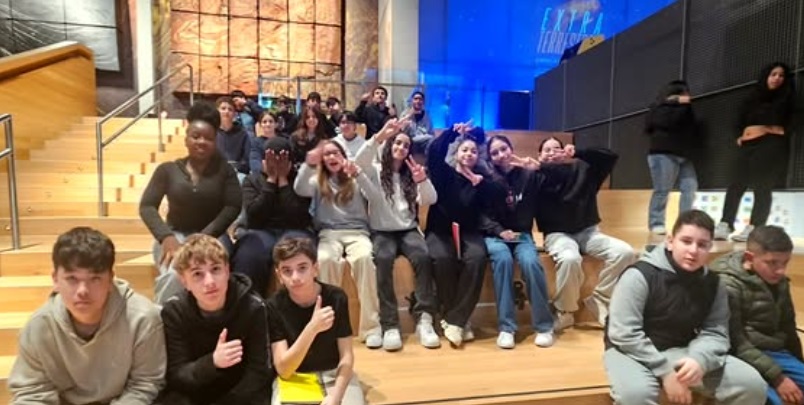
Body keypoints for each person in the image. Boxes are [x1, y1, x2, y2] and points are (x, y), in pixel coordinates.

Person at [603, 210, 767, 405]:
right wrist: (666, 372)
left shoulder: (714, 284)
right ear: (670, 241)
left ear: (710, 247)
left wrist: (700, 360)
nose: (693, 250)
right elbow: (623, 333)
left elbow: (716, 332)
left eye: (702, 245)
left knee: (752, 384)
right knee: (637, 396)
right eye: (686, 241)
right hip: (630, 351)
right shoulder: (638, 276)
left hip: (681, 349)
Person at [8, 227, 165, 404]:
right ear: (55, 280)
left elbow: (144, 385)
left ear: (110, 280)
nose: (83, 291)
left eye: (95, 279)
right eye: (72, 279)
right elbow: (31, 393)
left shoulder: (142, 318)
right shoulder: (39, 326)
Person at [140, 101, 242, 304]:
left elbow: (233, 206)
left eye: (208, 138)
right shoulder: (167, 170)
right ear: (186, 138)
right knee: (175, 273)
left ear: (215, 141)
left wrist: (204, 236)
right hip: (175, 235)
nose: (201, 142)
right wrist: (166, 237)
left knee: (210, 273)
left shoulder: (226, 171)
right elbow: (147, 206)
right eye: (196, 136)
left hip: (214, 237)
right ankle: (163, 317)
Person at [354, 119, 441, 351]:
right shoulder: (375, 169)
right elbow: (358, 162)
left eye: (406, 145)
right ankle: (390, 323)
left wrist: (422, 181)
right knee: (382, 260)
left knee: (423, 257)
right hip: (382, 231)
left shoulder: (412, 173)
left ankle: (425, 319)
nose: (401, 148)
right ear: (390, 145)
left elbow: (430, 199)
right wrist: (380, 136)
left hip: (408, 230)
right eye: (397, 143)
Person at [535, 137, 634, 331]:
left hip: (588, 232)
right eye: (547, 150)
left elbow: (610, 157)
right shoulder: (537, 177)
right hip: (557, 234)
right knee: (570, 259)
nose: (552, 152)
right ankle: (565, 311)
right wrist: (539, 168)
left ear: (565, 153)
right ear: (539, 156)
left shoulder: (582, 169)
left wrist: (578, 152)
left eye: (556, 148)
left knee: (625, 252)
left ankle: (601, 298)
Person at [158, 234, 271, 405]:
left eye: (216, 269)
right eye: (197, 274)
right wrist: (213, 362)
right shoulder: (174, 312)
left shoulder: (253, 307)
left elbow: (258, 372)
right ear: (184, 281)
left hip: (239, 396)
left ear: (227, 270)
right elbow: (177, 375)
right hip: (194, 393)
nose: (209, 282)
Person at [482, 135, 569, 349]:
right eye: (494, 153)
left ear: (511, 149)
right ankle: (506, 328)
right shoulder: (487, 180)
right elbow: (482, 215)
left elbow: (557, 183)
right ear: (490, 158)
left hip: (521, 234)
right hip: (495, 235)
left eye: (504, 149)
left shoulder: (528, 175)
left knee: (531, 262)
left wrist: (540, 168)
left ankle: (544, 326)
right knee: (503, 260)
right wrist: (500, 231)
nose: (501, 155)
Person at [293, 140, 382, 348]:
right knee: (324, 260)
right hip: (329, 233)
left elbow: (376, 199)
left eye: (335, 153)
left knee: (364, 259)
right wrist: (308, 163)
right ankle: (327, 329)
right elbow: (299, 188)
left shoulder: (355, 176)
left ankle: (371, 328)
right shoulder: (318, 180)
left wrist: (359, 174)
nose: (331, 157)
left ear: (343, 155)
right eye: (327, 155)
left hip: (358, 233)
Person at [267, 237, 366, 405]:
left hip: (334, 374)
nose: (295, 277)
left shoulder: (336, 297)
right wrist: (312, 328)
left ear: (315, 269)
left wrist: (336, 396)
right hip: (295, 377)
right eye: (287, 271)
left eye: (302, 268)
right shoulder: (273, 306)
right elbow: (284, 369)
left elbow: (347, 357)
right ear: (279, 275)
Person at [712, 225, 804, 405]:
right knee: (775, 400)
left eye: (785, 263)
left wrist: (798, 364)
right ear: (749, 258)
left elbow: (788, 327)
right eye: (772, 263)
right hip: (741, 354)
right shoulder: (727, 284)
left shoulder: (780, 281)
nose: (781, 271)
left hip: (776, 351)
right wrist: (778, 378)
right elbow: (735, 342)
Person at [425, 121, 492, 347]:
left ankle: (456, 320)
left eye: (473, 151)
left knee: (477, 257)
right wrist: (452, 132)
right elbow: (435, 152)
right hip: (440, 231)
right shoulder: (443, 173)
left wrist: (479, 184)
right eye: (465, 150)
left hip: (468, 232)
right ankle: (455, 317)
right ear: (456, 153)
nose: (469, 154)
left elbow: (493, 200)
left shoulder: (481, 180)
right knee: (443, 258)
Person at [715, 62, 796, 242]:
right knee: (735, 184)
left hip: (770, 146)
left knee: (762, 186)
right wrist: (739, 136)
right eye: (773, 74)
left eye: (781, 75)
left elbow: (792, 124)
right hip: (747, 145)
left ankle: (755, 227)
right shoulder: (753, 97)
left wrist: (768, 129)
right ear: (766, 76)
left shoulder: (787, 99)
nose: (777, 78)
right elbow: (738, 120)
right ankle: (726, 223)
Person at [232, 136, 314, 297]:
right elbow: (254, 217)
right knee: (248, 256)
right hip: (260, 230)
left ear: (290, 163)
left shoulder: (299, 180)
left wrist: (283, 181)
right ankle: (250, 306)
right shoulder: (252, 180)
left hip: (295, 230)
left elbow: (299, 218)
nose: (276, 165)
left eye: (281, 161)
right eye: (271, 160)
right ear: (263, 161)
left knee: (298, 254)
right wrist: (270, 181)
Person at [645, 80, 699, 235]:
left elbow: (690, 126)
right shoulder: (658, 108)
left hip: (683, 154)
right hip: (663, 153)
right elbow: (662, 123)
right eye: (684, 93)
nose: (688, 96)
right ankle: (656, 223)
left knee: (690, 187)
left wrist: (685, 106)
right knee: (662, 190)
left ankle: (684, 223)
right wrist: (675, 103)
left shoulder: (685, 108)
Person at [215, 96, 251, 179]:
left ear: (234, 114)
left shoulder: (243, 134)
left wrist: (236, 168)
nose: (226, 111)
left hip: (236, 173)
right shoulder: (210, 132)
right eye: (223, 108)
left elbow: (247, 160)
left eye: (230, 109)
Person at [248, 111, 280, 175]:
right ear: (260, 125)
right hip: (263, 174)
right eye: (264, 122)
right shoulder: (256, 142)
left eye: (271, 121)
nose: (268, 124)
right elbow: (254, 160)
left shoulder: (283, 140)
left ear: (276, 124)